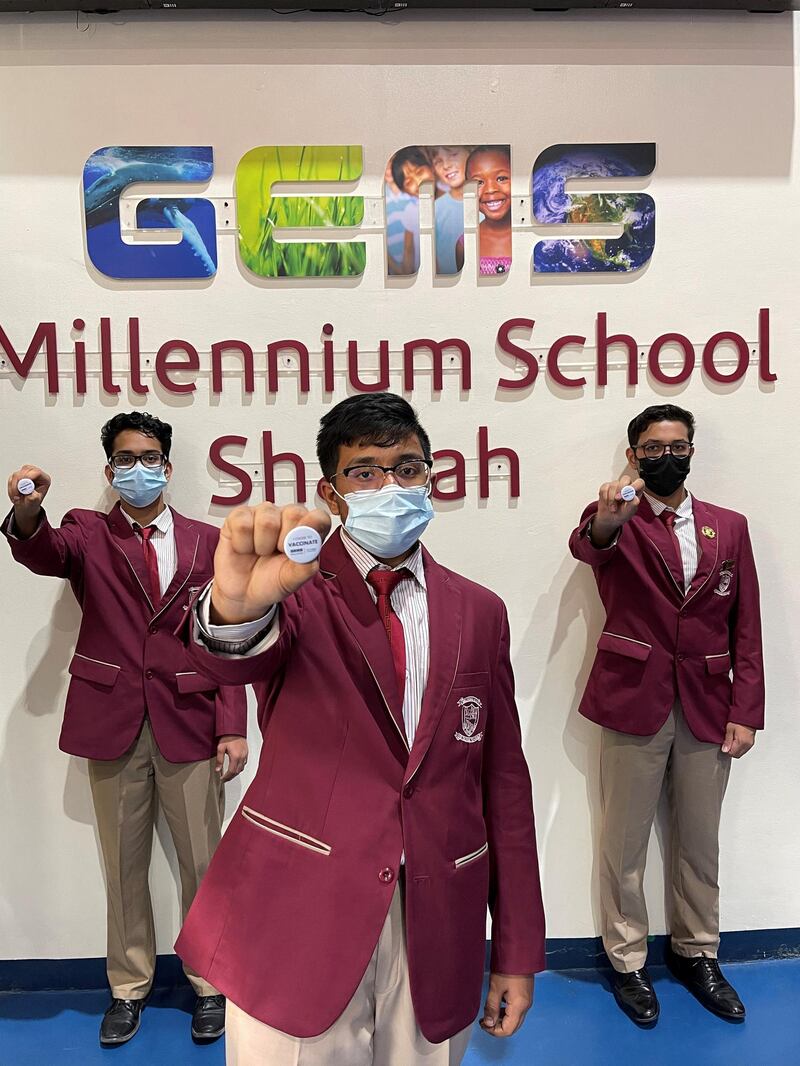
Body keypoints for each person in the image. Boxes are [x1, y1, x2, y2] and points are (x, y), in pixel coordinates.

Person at [174, 392, 546, 1065]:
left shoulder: (480, 612)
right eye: (366, 472)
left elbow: (504, 787)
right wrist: (231, 606)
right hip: (296, 916)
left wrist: (518, 950)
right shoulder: (290, 590)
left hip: (435, 918)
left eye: (408, 468)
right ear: (331, 492)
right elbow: (230, 652)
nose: (392, 486)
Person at [3, 412, 248, 1048]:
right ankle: (128, 988)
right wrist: (28, 508)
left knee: (204, 863)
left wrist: (232, 723)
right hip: (110, 719)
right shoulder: (86, 533)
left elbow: (227, 635)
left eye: (149, 457)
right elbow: (38, 551)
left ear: (167, 466)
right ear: (110, 470)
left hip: (191, 719)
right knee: (122, 865)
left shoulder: (207, 540)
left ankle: (211, 984)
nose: (137, 468)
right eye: (124, 459)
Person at [569, 403, 764, 1027]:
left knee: (699, 841)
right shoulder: (615, 518)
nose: (664, 456)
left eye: (675, 445)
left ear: (691, 451)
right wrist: (608, 517)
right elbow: (589, 547)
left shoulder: (727, 527)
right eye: (651, 447)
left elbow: (747, 624)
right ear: (634, 455)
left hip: (709, 703)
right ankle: (627, 961)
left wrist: (747, 708)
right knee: (623, 842)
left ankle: (696, 952)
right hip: (633, 699)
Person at [464, 145, 512, 276]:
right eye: (479, 182)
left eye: (501, 178)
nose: (490, 189)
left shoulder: (539, 239)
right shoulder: (465, 244)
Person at [430, 145, 471, 275]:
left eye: (453, 154)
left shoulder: (490, 204)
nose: (446, 165)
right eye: (438, 161)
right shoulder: (435, 209)